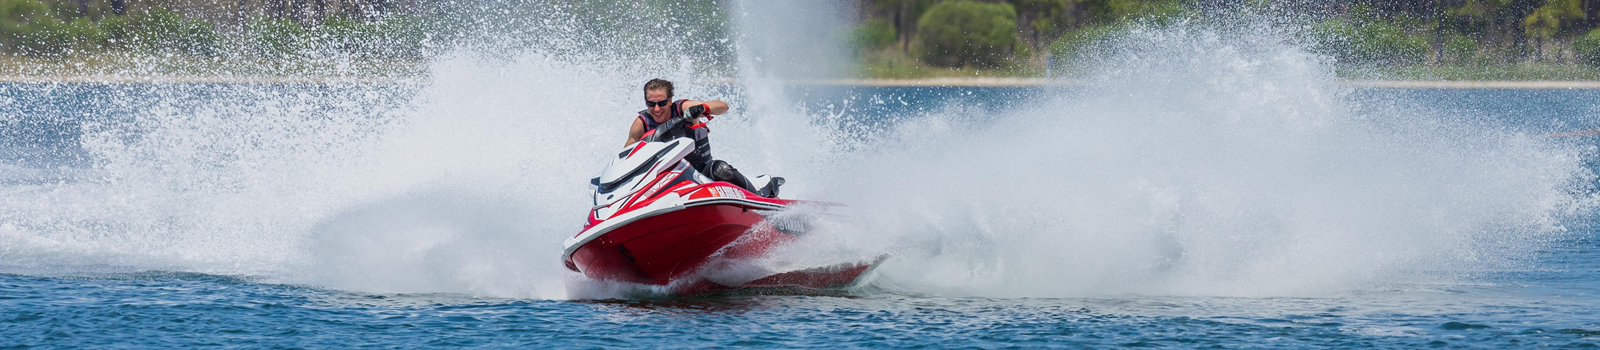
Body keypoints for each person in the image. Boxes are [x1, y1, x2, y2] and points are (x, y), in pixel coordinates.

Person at [625, 78, 779, 198]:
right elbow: (627, 157)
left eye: (662, 103)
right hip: (662, 178)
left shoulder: (682, 108)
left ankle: (757, 199)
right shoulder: (641, 124)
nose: (656, 109)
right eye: (651, 104)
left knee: (722, 170)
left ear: (670, 100)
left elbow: (723, 106)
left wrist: (701, 109)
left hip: (700, 171)